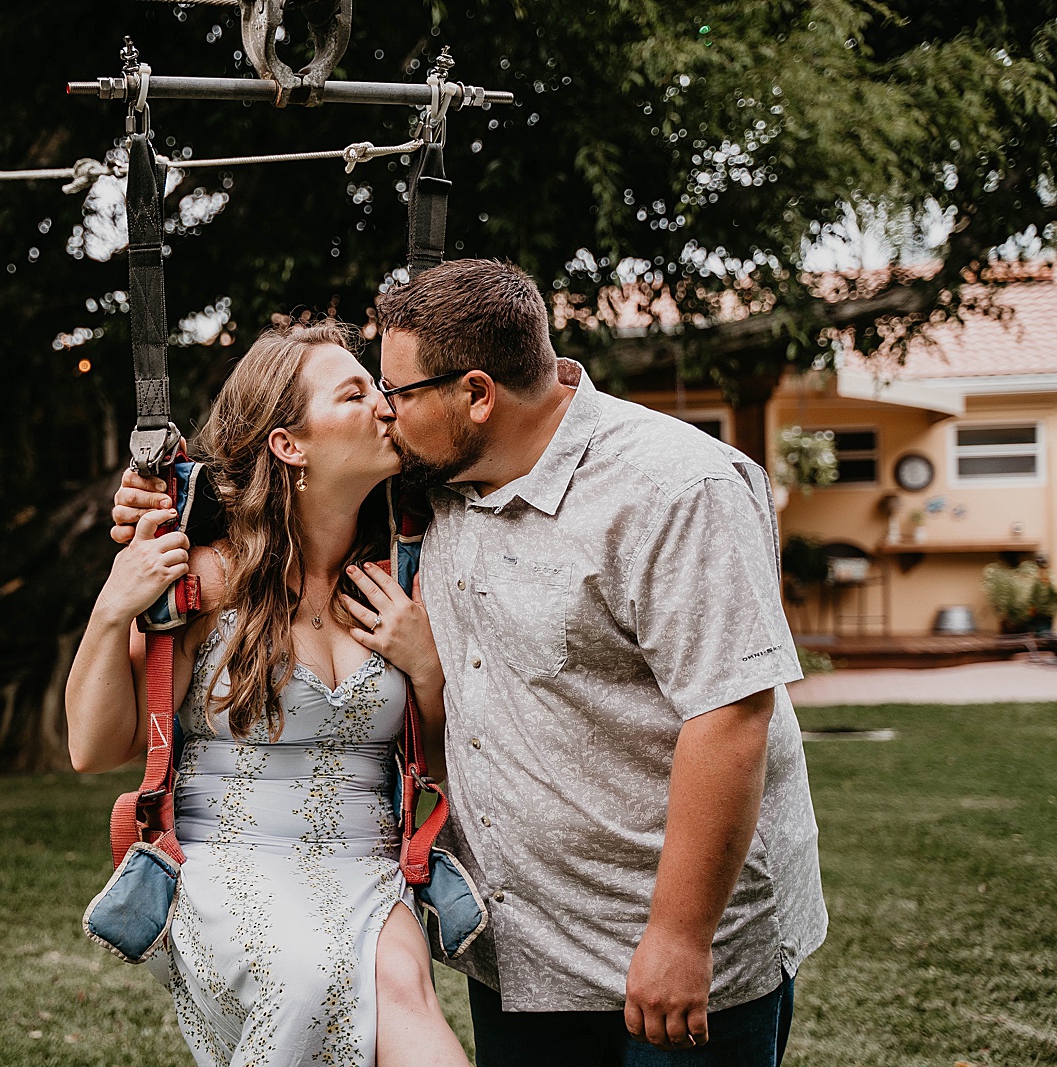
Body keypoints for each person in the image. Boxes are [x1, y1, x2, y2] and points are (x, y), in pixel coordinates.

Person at [112, 260, 827, 1066]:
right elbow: (279, 487)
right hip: (523, 950)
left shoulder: (678, 489)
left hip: (674, 945)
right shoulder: (431, 482)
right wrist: (155, 499)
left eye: (399, 392)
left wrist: (680, 933)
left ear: (477, 395)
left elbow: (731, 718)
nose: (385, 410)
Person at [66, 323, 470, 1067]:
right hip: (229, 863)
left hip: (371, 867)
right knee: (307, 975)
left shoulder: (400, 582)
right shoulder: (205, 580)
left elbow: (441, 761)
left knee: (414, 1013)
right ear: (289, 443)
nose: (385, 405)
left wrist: (429, 672)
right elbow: (96, 748)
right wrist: (111, 608)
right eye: (354, 393)